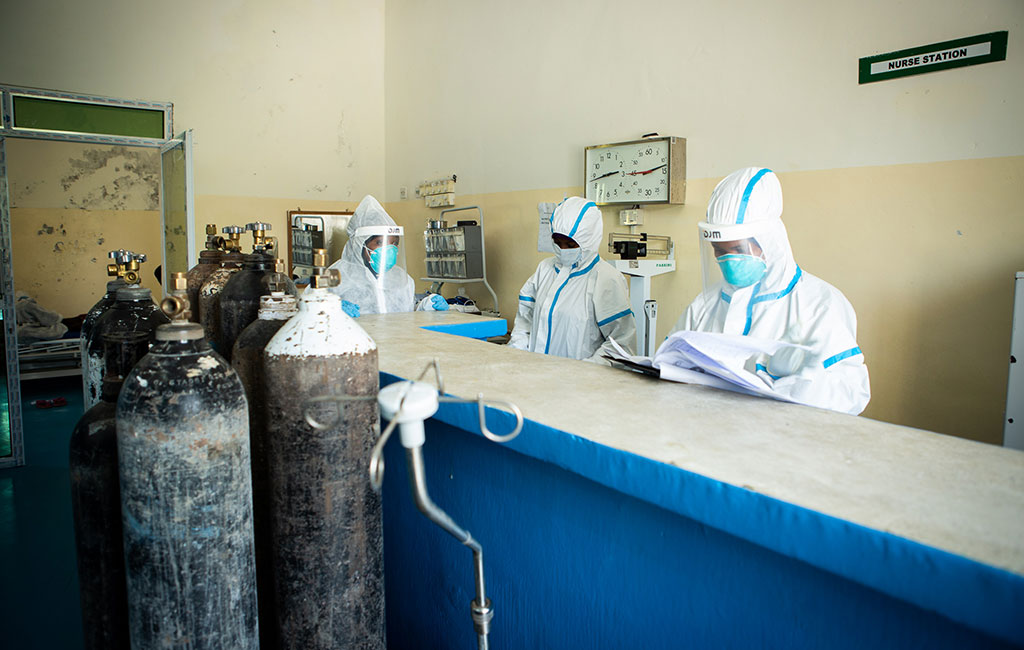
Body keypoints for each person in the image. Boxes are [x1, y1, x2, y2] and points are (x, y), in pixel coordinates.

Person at [670, 167, 870, 415]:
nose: (728, 260)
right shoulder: (706, 304)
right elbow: (671, 364)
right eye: (719, 251)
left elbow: (850, 392)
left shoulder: (820, 304)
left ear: (770, 243)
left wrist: (788, 388)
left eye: (738, 250)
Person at [509, 197, 636, 363]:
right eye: (557, 242)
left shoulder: (606, 279)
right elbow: (525, 322)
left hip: (580, 376)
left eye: (570, 245)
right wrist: (516, 356)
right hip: (534, 371)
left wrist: (581, 372)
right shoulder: (545, 269)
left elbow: (619, 344)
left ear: (589, 239)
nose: (563, 250)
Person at [329, 195, 448, 316]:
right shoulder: (333, 277)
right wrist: (331, 309)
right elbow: (316, 311)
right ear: (359, 244)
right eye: (380, 242)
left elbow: (406, 315)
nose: (389, 249)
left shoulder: (402, 279)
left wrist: (424, 306)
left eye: (394, 243)